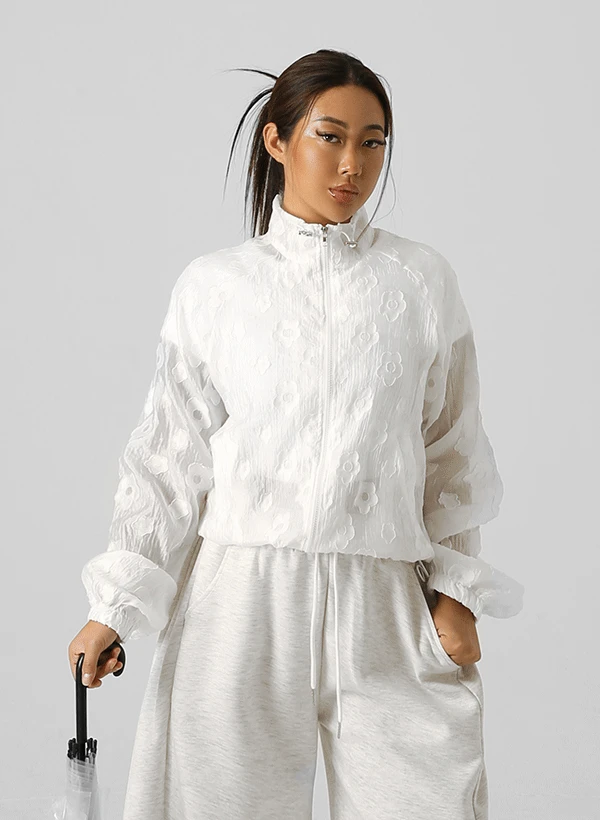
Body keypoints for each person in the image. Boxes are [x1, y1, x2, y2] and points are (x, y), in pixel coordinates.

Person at [68, 48, 524, 820]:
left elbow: (450, 451)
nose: (353, 164)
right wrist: (115, 604)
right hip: (238, 602)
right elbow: (169, 458)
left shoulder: (421, 281)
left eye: (373, 142)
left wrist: (455, 592)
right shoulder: (215, 286)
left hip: (385, 600)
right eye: (330, 136)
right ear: (278, 140)